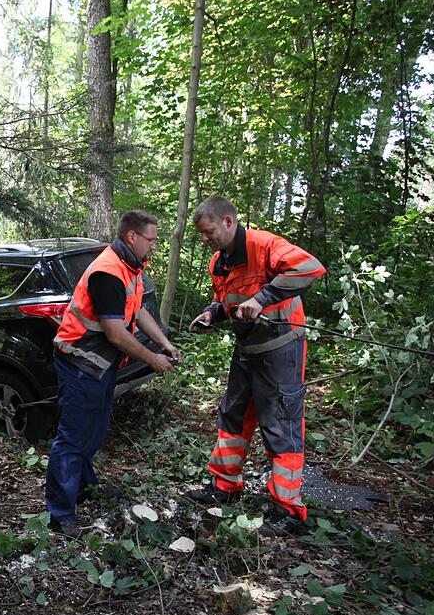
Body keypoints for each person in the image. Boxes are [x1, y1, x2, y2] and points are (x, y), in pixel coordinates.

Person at [185, 196, 326, 536]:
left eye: (209, 232)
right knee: (233, 414)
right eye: (202, 235)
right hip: (247, 349)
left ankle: (289, 511)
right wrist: (211, 314)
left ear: (229, 222)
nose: (205, 240)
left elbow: (310, 267)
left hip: (281, 350)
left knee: (280, 424)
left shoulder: (265, 246)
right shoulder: (219, 262)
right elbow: (225, 299)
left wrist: (262, 299)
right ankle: (225, 487)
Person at [46, 210, 180, 537]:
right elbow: (116, 333)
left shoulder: (130, 267)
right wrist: (152, 359)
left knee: (95, 429)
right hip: (80, 361)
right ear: (132, 237)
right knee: (74, 436)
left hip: (101, 363)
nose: (155, 245)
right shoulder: (108, 271)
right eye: (151, 239)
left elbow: (140, 311)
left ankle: (83, 488)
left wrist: (164, 343)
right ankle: (60, 514)